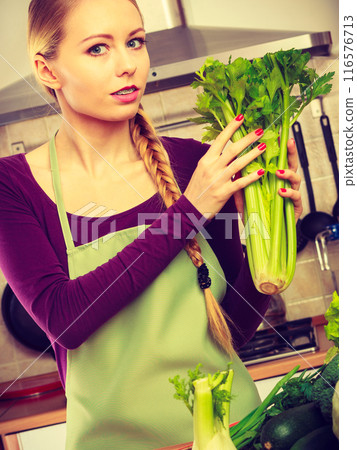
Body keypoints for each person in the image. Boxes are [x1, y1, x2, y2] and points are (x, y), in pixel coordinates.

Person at [0, 0, 302, 448]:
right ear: (47, 70)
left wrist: (274, 228)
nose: (128, 65)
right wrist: (188, 211)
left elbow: (230, 332)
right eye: (98, 48)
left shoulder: (195, 165)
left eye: (135, 42)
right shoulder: (13, 185)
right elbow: (65, 319)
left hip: (233, 436)